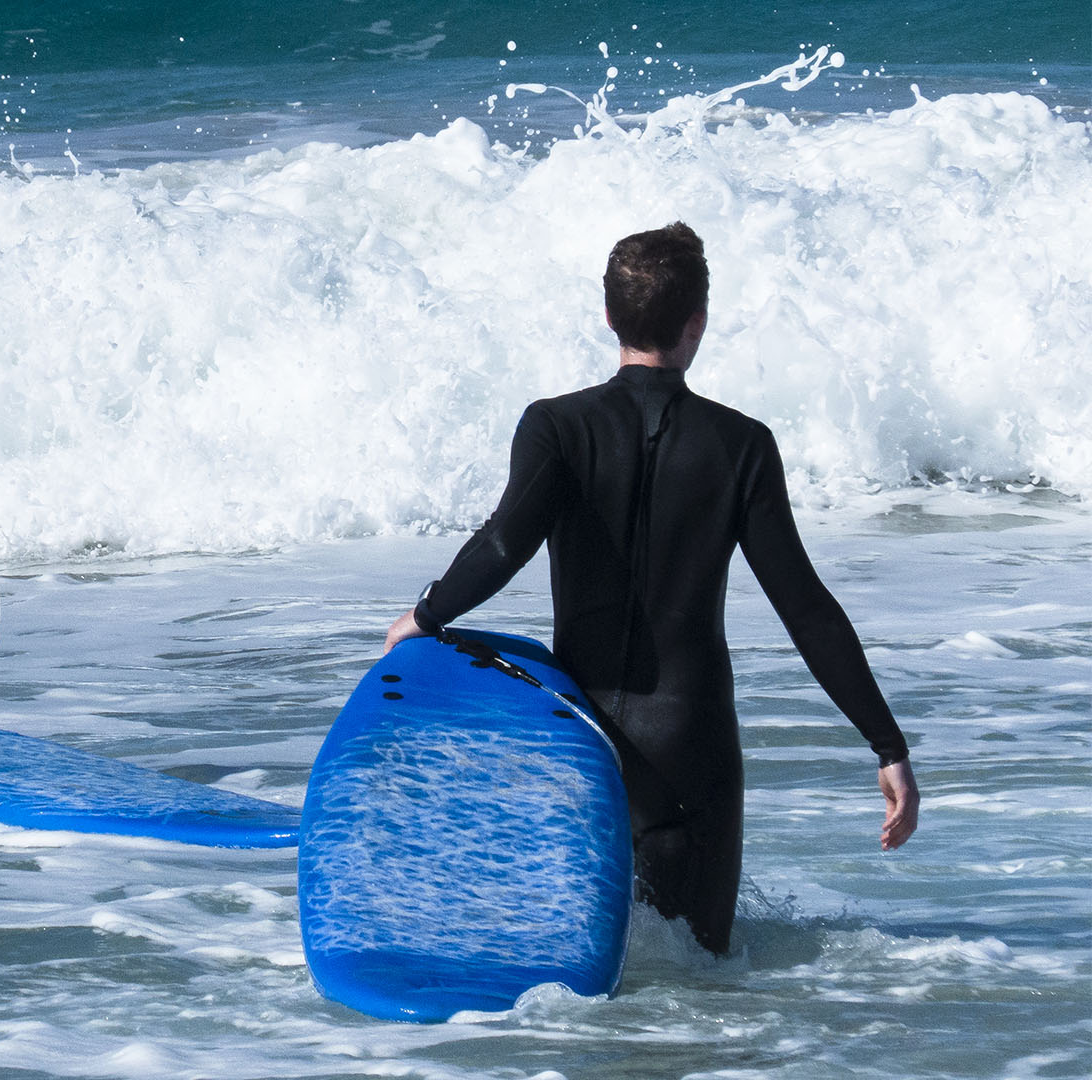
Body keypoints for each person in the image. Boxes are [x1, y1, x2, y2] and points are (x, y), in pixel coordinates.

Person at [383, 222, 919, 954]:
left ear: (608, 316)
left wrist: (425, 616)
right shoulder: (741, 445)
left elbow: (505, 542)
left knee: (590, 972)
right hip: (691, 745)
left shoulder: (555, 427)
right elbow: (805, 608)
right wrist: (886, 746)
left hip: (582, 741)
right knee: (700, 985)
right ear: (698, 323)